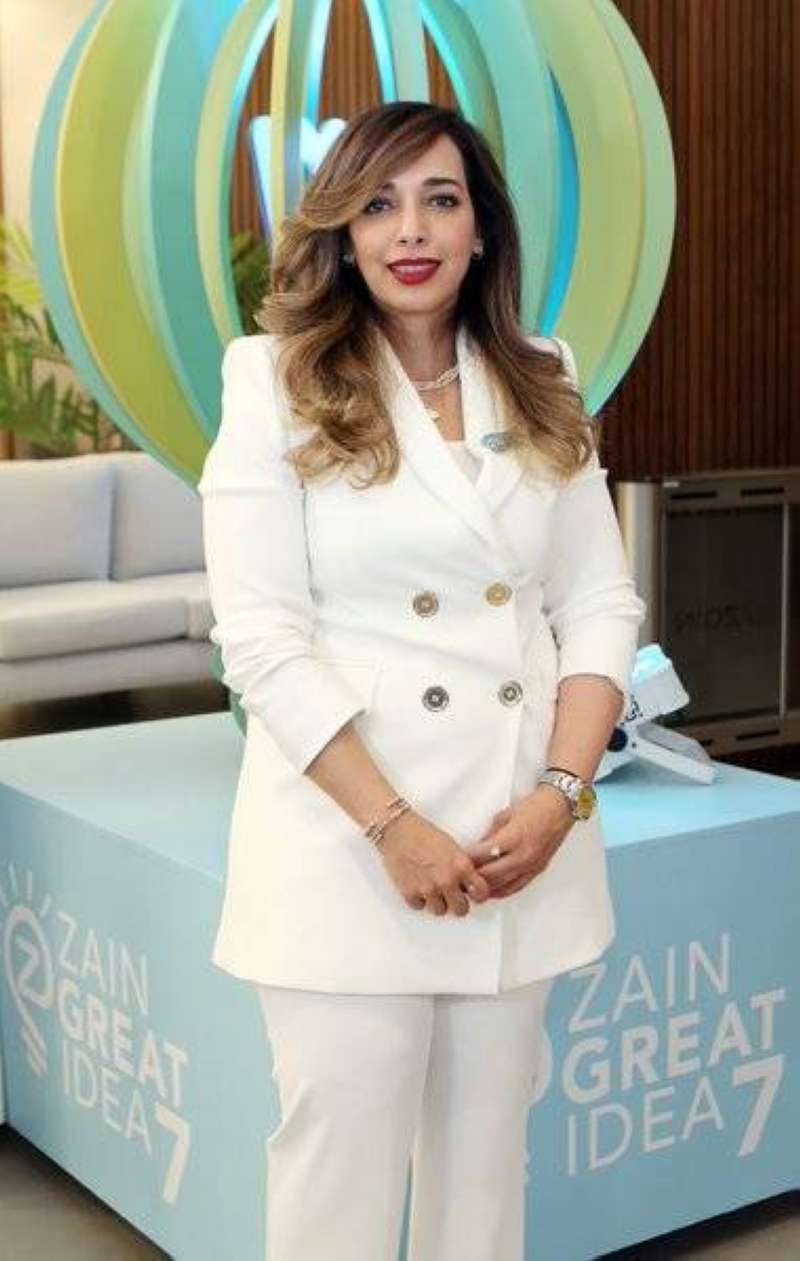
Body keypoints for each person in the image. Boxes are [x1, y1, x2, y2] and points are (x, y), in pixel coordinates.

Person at [198, 101, 647, 1261]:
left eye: (439, 200)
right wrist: (392, 827)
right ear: (342, 234)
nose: (410, 230)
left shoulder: (542, 375)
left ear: (479, 227)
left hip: (510, 840)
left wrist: (559, 794)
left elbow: (596, 605)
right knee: (337, 1190)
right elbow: (261, 638)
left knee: (482, 1185)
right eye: (378, 204)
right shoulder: (273, 380)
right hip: (347, 845)